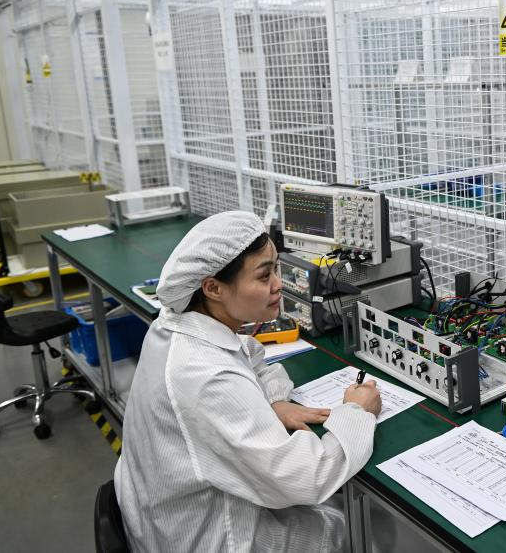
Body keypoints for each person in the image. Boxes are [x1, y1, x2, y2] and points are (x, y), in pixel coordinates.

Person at [115, 211, 381, 553]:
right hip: (210, 538)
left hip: (162, 517)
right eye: (264, 275)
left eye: (276, 269)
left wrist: (274, 401)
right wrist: (357, 412)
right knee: (353, 532)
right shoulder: (205, 376)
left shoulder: (174, 325)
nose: (278, 284)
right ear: (213, 287)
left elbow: (247, 355)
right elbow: (306, 476)